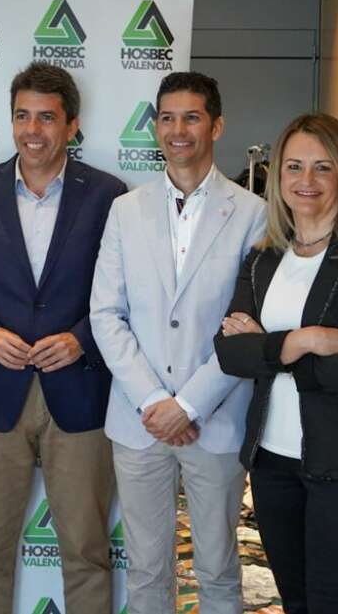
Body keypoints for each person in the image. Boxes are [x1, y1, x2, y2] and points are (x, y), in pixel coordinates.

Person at [0, 62, 126, 614]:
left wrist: (80, 339)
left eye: (46, 118)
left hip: (80, 396)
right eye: (22, 116)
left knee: (86, 549)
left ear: (72, 125)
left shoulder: (108, 196)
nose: (32, 129)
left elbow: (122, 295)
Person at [215, 113, 338, 614]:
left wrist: (272, 351)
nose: (306, 181)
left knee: (334, 606)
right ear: (278, 176)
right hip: (275, 462)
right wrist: (306, 339)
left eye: (322, 167)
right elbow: (229, 352)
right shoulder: (264, 258)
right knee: (296, 603)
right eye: (294, 167)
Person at [89, 71, 266, 614]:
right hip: (139, 420)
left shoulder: (254, 213)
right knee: (146, 568)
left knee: (216, 566)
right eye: (167, 118)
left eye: (191, 117)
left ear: (216, 124)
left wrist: (187, 404)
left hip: (215, 417)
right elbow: (105, 313)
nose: (177, 130)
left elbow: (245, 323)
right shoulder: (126, 209)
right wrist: (155, 402)